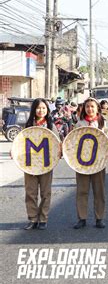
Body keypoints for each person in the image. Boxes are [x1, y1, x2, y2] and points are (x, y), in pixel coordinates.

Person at [21, 98, 60, 230]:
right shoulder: (28, 125)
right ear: (34, 109)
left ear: (47, 110)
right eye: (38, 108)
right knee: (30, 192)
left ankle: (43, 218)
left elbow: (57, 144)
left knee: (45, 192)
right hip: (30, 164)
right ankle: (32, 219)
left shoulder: (51, 126)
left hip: (46, 164)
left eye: (43, 108)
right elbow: (20, 142)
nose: (41, 110)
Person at [73, 98, 108, 229]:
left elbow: (107, 141)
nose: (90, 109)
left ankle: (99, 218)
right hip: (82, 162)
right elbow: (73, 141)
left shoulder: (103, 123)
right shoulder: (79, 123)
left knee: (99, 191)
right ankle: (82, 217)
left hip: (98, 161)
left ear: (97, 108)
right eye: (87, 106)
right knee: (82, 190)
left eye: (92, 106)